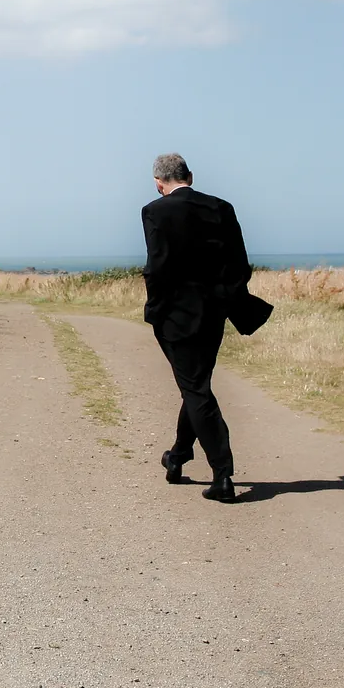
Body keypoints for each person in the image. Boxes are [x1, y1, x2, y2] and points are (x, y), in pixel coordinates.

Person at [140, 152, 269, 503]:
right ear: (190, 177)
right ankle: (178, 455)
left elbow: (158, 267)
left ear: (158, 183)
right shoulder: (222, 208)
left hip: (175, 318)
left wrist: (156, 310)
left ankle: (223, 475)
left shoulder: (155, 211)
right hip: (213, 315)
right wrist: (223, 300)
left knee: (196, 390)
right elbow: (240, 266)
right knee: (196, 385)